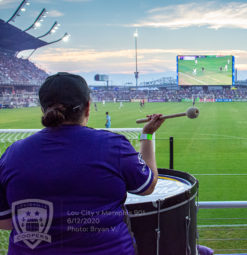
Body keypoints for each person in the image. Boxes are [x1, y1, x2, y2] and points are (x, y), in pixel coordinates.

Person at [0, 72, 165, 254]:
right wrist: (147, 135)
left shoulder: (12, 154)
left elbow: (4, 221)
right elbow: (147, 186)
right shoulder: (113, 145)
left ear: (43, 109)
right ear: (87, 107)